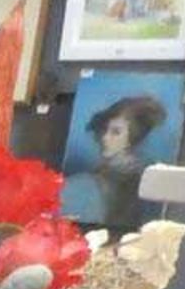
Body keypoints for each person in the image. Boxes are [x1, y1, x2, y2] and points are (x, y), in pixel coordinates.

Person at [68, 92, 167, 233]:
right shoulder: (90, 179)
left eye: (116, 132)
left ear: (133, 136)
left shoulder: (146, 177)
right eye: (104, 130)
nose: (105, 138)